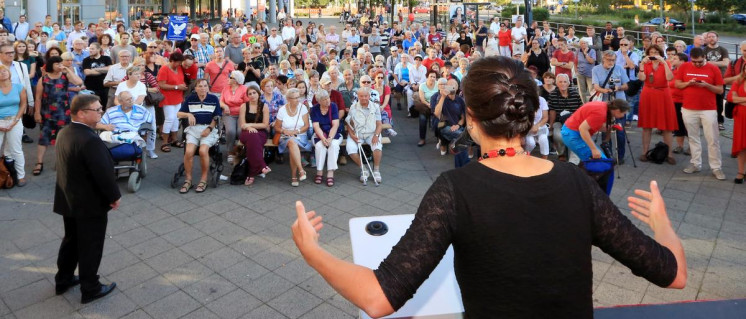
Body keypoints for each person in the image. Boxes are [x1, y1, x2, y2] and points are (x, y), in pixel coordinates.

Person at [292, 56, 687, 318]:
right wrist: (662, 223)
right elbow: (673, 274)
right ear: (531, 113)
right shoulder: (576, 181)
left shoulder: (455, 190)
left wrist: (312, 251)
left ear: (469, 118)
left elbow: (379, 297)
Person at [54, 94, 120, 304]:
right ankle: (90, 287)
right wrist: (113, 196)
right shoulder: (90, 139)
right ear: (82, 113)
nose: (101, 112)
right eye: (97, 110)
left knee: (71, 241)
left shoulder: (65, 132)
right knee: (91, 245)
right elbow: (103, 172)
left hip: (68, 200)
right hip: (89, 204)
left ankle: (63, 280)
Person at [675, 48, 726, 180]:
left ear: (705, 57)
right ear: (690, 58)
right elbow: (677, 84)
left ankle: (716, 167)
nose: (697, 64)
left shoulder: (713, 69)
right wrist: (688, 83)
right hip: (688, 108)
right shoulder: (684, 67)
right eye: (694, 62)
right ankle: (696, 164)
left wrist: (706, 86)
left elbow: (720, 90)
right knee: (693, 137)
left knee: (713, 139)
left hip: (708, 109)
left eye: (700, 62)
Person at [33, 56, 83, 176]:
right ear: (51, 65)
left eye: (61, 63)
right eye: (57, 64)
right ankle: (39, 162)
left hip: (63, 112)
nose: (60, 65)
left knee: (64, 138)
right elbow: (38, 98)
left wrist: (68, 69)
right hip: (47, 113)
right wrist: (37, 112)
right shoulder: (43, 79)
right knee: (44, 138)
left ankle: (62, 161)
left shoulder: (65, 76)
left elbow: (79, 82)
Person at [177, 79, 221, 194]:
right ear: (195, 88)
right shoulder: (190, 99)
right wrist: (188, 114)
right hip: (193, 129)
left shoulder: (213, 99)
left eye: (205, 86)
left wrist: (209, 129)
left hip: (208, 129)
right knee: (189, 151)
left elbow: (217, 118)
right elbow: (179, 114)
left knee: (202, 151)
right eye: (200, 86)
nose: (203, 88)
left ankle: (203, 179)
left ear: (208, 87)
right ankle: (188, 180)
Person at [637, 45, 677, 165]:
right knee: (646, 125)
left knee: (667, 126)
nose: (653, 54)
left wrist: (664, 63)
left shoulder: (665, 63)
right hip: (648, 93)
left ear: (660, 53)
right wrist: (641, 66)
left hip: (663, 93)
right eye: (651, 52)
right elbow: (642, 78)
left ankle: (669, 154)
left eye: (656, 52)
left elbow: (669, 78)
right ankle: (644, 152)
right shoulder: (645, 64)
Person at [562, 99, 630, 161]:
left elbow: (595, 125)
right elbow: (583, 129)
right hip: (573, 134)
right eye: (623, 113)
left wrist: (611, 127)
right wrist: (593, 149)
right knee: (599, 163)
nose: (623, 116)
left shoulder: (604, 106)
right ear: (618, 111)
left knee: (595, 162)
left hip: (570, 131)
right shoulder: (601, 113)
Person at [275, 88, 311, 186]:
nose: (298, 99)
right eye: (295, 98)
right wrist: (284, 130)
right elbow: (277, 127)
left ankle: (294, 176)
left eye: (298, 97)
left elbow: (306, 126)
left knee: (292, 145)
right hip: (285, 136)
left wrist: (296, 131)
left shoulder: (303, 107)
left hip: (300, 135)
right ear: (288, 99)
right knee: (291, 142)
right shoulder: (282, 110)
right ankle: (301, 170)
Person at [346, 87, 383, 183]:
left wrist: (376, 135)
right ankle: (364, 169)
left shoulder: (375, 107)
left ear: (369, 96)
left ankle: (376, 171)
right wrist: (352, 135)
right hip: (357, 133)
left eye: (366, 96)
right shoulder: (353, 107)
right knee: (350, 149)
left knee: (377, 147)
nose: (363, 98)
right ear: (358, 96)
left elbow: (379, 124)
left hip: (372, 133)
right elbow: (348, 123)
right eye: (361, 96)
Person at [238, 84, 271, 186]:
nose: (252, 95)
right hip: (246, 132)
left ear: (258, 93)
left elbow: (265, 124)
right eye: (250, 94)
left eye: (254, 93)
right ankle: (261, 165)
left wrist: (251, 125)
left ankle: (251, 173)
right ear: (247, 96)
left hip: (261, 133)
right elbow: (242, 124)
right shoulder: (244, 106)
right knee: (252, 137)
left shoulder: (264, 107)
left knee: (254, 140)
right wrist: (248, 128)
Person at [0, 64, 28, 186]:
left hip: (14, 120)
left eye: (5, 71)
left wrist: (15, 121)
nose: (3, 73)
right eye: (0, 72)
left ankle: (21, 176)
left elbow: (23, 104)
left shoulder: (18, 87)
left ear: (9, 73)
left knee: (16, 150)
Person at [310, 90, 342, 187]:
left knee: (334, 145)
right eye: (324, 100)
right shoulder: (314, 109)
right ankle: (319, 171)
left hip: (334, 134)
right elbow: (316, 126)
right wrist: (323, 138)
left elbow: (335, 125)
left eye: (328, 98)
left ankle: (330, 172)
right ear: (319, 101)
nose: (327, 101)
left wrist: (330, 138)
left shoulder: (333, 106)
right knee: (320, 146)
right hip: (320, 134)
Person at [157, 52, 188, 152]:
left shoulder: (178, 68)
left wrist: (182, 85)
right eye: (178, 62)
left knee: (176, 119)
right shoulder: (164, 69)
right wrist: (176, 87)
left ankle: (174, 139)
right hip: (168, 98)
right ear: (172, 61)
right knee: (169, 119)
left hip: (178, 97)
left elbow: (181, 80)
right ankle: (164, 142)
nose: (179, 65)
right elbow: (161, 85)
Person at [548, 74, 583, 162]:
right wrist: (551, 125)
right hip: (559, 121)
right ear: (557, 83)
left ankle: (573, 161)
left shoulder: (575, 94)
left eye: (565, 82)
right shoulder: (553, 95)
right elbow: (552, 111)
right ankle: (561, 153)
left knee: (574, 136)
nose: (563, 84)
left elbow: (580, 109)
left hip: (574, 121)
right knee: (558, 135)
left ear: (568, 83)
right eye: (560, 82)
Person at [221, 70, 249, 164]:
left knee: (240, 131)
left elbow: (247, 103)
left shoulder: (244, 89)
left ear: (236, 80)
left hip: (241, 113)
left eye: (231, 77)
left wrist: (241, 109)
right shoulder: (225, 88)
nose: (229, 78)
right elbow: (221, 101)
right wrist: (225, 106)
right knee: (230, 131)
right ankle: (230, 151)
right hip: (229, 114)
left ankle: (240, 150)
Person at [432, 77, 466, 156]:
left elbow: (462, 118)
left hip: (456, 126)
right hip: (444, 125)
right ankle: (449, 144)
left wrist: (458, 125)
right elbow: (437, 114)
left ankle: (452, 144)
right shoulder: (441, 97)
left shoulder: (460, 100)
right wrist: (443, 97)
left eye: (453, 85)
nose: (451, 87)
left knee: (459, 135)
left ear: (457, 87)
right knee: (462, 136)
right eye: (449, 85)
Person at [729, 61, 746, 184]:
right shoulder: (738, 81)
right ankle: (741, 172)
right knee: (741, 146)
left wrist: (740, 100)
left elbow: (737, 99)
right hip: (741, 118)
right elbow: (732, 98)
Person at [576, 39, 597, 103]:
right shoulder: (578, 51)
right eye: (582, 43)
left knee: (592, 90)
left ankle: (592, 104)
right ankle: (584, 104)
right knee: (582, 91)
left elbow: (592, 61)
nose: (583, 44)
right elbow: (575, 61)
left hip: (590, 73)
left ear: (587, 44)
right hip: (580, 73)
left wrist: (586, 54)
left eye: (584, 43)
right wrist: (576, 70)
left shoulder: (592, 51)